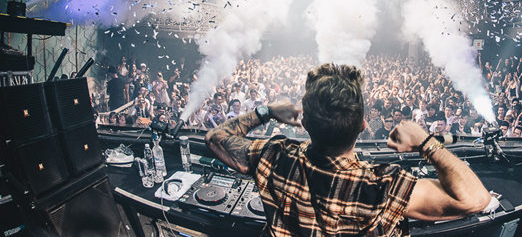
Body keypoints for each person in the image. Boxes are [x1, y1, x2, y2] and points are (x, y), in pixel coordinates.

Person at [205, 63, 492, 236]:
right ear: (363, 125)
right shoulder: (383, 186)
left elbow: (217, 138)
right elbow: (476, 199)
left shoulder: (275, 156)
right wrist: (426, 142)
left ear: (304, 123)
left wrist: (266, 111)